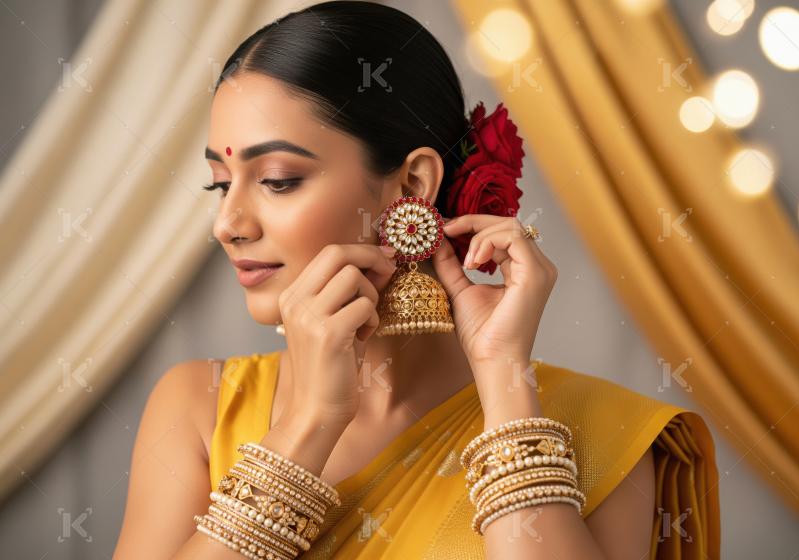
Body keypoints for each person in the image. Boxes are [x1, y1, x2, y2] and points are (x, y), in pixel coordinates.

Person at [113, 2, 719, 559]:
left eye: (276, 180)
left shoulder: (602, 430)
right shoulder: (201, 404)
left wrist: (506, 377)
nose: (228, 224)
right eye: (221, 184)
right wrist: (309, 424)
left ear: (412, 185)